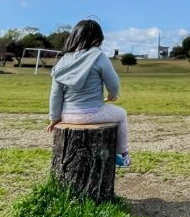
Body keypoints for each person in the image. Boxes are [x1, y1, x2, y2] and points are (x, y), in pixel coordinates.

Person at [46, 19, 131, 168]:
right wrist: (113, 95)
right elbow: (113, 83)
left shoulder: (63, 61)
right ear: (98, 39)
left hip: (67, 115)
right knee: (121, 114)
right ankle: (122, 154)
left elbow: (55, 95)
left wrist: (54, 118)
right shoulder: (99, 56)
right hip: (92, 113)